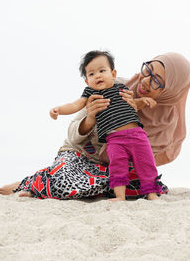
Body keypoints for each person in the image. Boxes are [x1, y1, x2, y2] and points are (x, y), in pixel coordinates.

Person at [0, 52, 190, 200]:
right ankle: (31, 183)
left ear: (172, 90)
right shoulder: (113, 86)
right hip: (81, 153)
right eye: (148, 70)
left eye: (157, 81)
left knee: (140, 187)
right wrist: (90, 117)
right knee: (67, 174)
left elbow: (145, 160)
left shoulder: (168, 123)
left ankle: (47, 184)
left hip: (114, 165)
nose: (146, 81)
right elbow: (73, 137)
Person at [49, 50, 161, 201]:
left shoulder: (123, 87)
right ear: (87, 82)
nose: (98, 76)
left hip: (137, 134)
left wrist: (143, 101)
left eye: (102, 71)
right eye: (92, 74)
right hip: (114, 139)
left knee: (146, 163)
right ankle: (119, 196)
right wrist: (59, 110)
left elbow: (134, 104)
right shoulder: (90, 95)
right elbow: (75, 105)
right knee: (117, 166)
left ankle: (152, 194)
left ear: (113, 74)